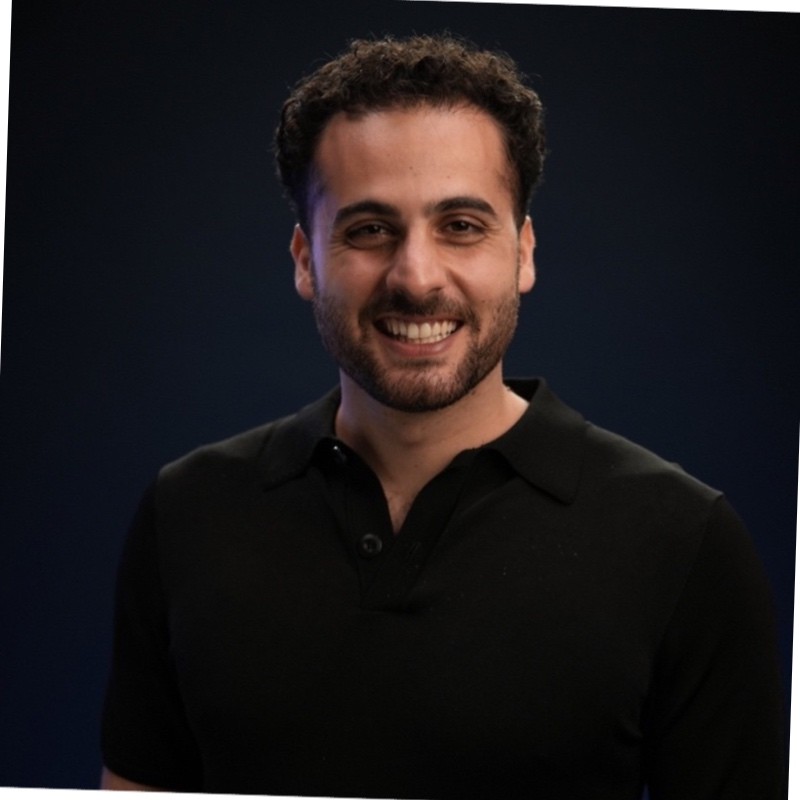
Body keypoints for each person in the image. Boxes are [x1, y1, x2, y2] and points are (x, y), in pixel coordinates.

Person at [100, 34, 786, 798]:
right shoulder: (188, 512)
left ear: (523, 252)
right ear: (304, 260)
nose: (417, 277)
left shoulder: (684, 542)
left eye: (461, 225)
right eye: (369, 229)